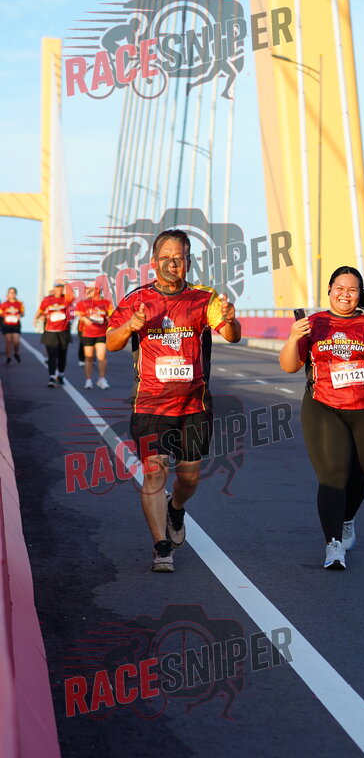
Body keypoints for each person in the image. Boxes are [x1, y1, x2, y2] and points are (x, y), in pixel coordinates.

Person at [106, 228, 241, 572]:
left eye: (178, 258)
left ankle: (176, 508)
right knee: (154, 472)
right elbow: (111, 342)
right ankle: (160, 546)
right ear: (153, 262)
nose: (172, 263)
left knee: (189, 478)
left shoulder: (204, 298)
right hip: (150, 403)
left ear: (188, 262)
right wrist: (130, 325)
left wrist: (230, 319)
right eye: (165, 257)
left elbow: (231, 335)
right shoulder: (136, 299)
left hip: (194, 405)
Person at [279, 266, 364, 570]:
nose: (345, 294)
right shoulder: (313, 324)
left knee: (359, 477)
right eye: (339, 288)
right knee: (334, 475)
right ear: (329, 290)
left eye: (351, 290)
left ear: (359, 294)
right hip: (323, 406)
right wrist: (293, 337)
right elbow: (289, 366)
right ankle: (333, 544)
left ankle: (347, 518)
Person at [34, 281, 74, 387]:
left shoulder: (66, 298)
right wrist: (36, 319)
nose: (59, 289)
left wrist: (65, 283)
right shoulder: (47, 300)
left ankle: (60, 374)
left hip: (63, 331)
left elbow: (72, 295)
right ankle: (52, 377)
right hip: (50, 331)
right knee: (52, 355)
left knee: (62, 355)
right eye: (57, 287)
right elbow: (40, 310)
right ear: (54, 288)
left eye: (61, 287)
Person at [75, 286, 114, 389]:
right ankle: (88, 380)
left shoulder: (106, 303)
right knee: (89, 357)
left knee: (102, 357)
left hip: (101, 333)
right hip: (88, 334)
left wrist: (110, 321)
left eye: (94, 290)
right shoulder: (85, 303)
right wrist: (84, 318)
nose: (92, 292)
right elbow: (76, 312)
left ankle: (102, 379)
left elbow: (112, 315)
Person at [0, 287, 25, 363]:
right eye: (10, 293)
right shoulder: (4, 304)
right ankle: (8, 357)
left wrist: (19, 315)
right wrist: (5, 315)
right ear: (8, 294)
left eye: (13, 293)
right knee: (8, 341)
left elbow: (22, 313)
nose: (12, 294)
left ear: (15, 294)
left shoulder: (19, 303)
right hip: (6, 324)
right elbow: (1, 312)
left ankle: (16, 353)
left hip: (16, 324)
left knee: (16, 341)